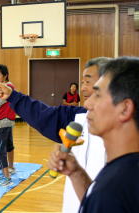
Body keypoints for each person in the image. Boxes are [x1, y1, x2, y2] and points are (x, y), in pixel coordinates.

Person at [0, 57, 110, 213]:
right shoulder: (79, 118)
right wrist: (14, 97)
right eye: (82, 82)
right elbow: (44, 116)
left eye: (88, 82)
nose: (83, 89)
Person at [48, 57, 139, 212]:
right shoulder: (122, 172)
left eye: (98, 95)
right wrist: (76, 173)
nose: (87, 104)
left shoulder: (117, 188)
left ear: (125, 108)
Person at [0, 64, 16, 186]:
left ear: (5, 75)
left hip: (3, 122)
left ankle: (7, 178)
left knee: (0, 150)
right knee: (6, 146)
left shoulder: (7, 87)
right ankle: (6, 171)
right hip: (0, 122)